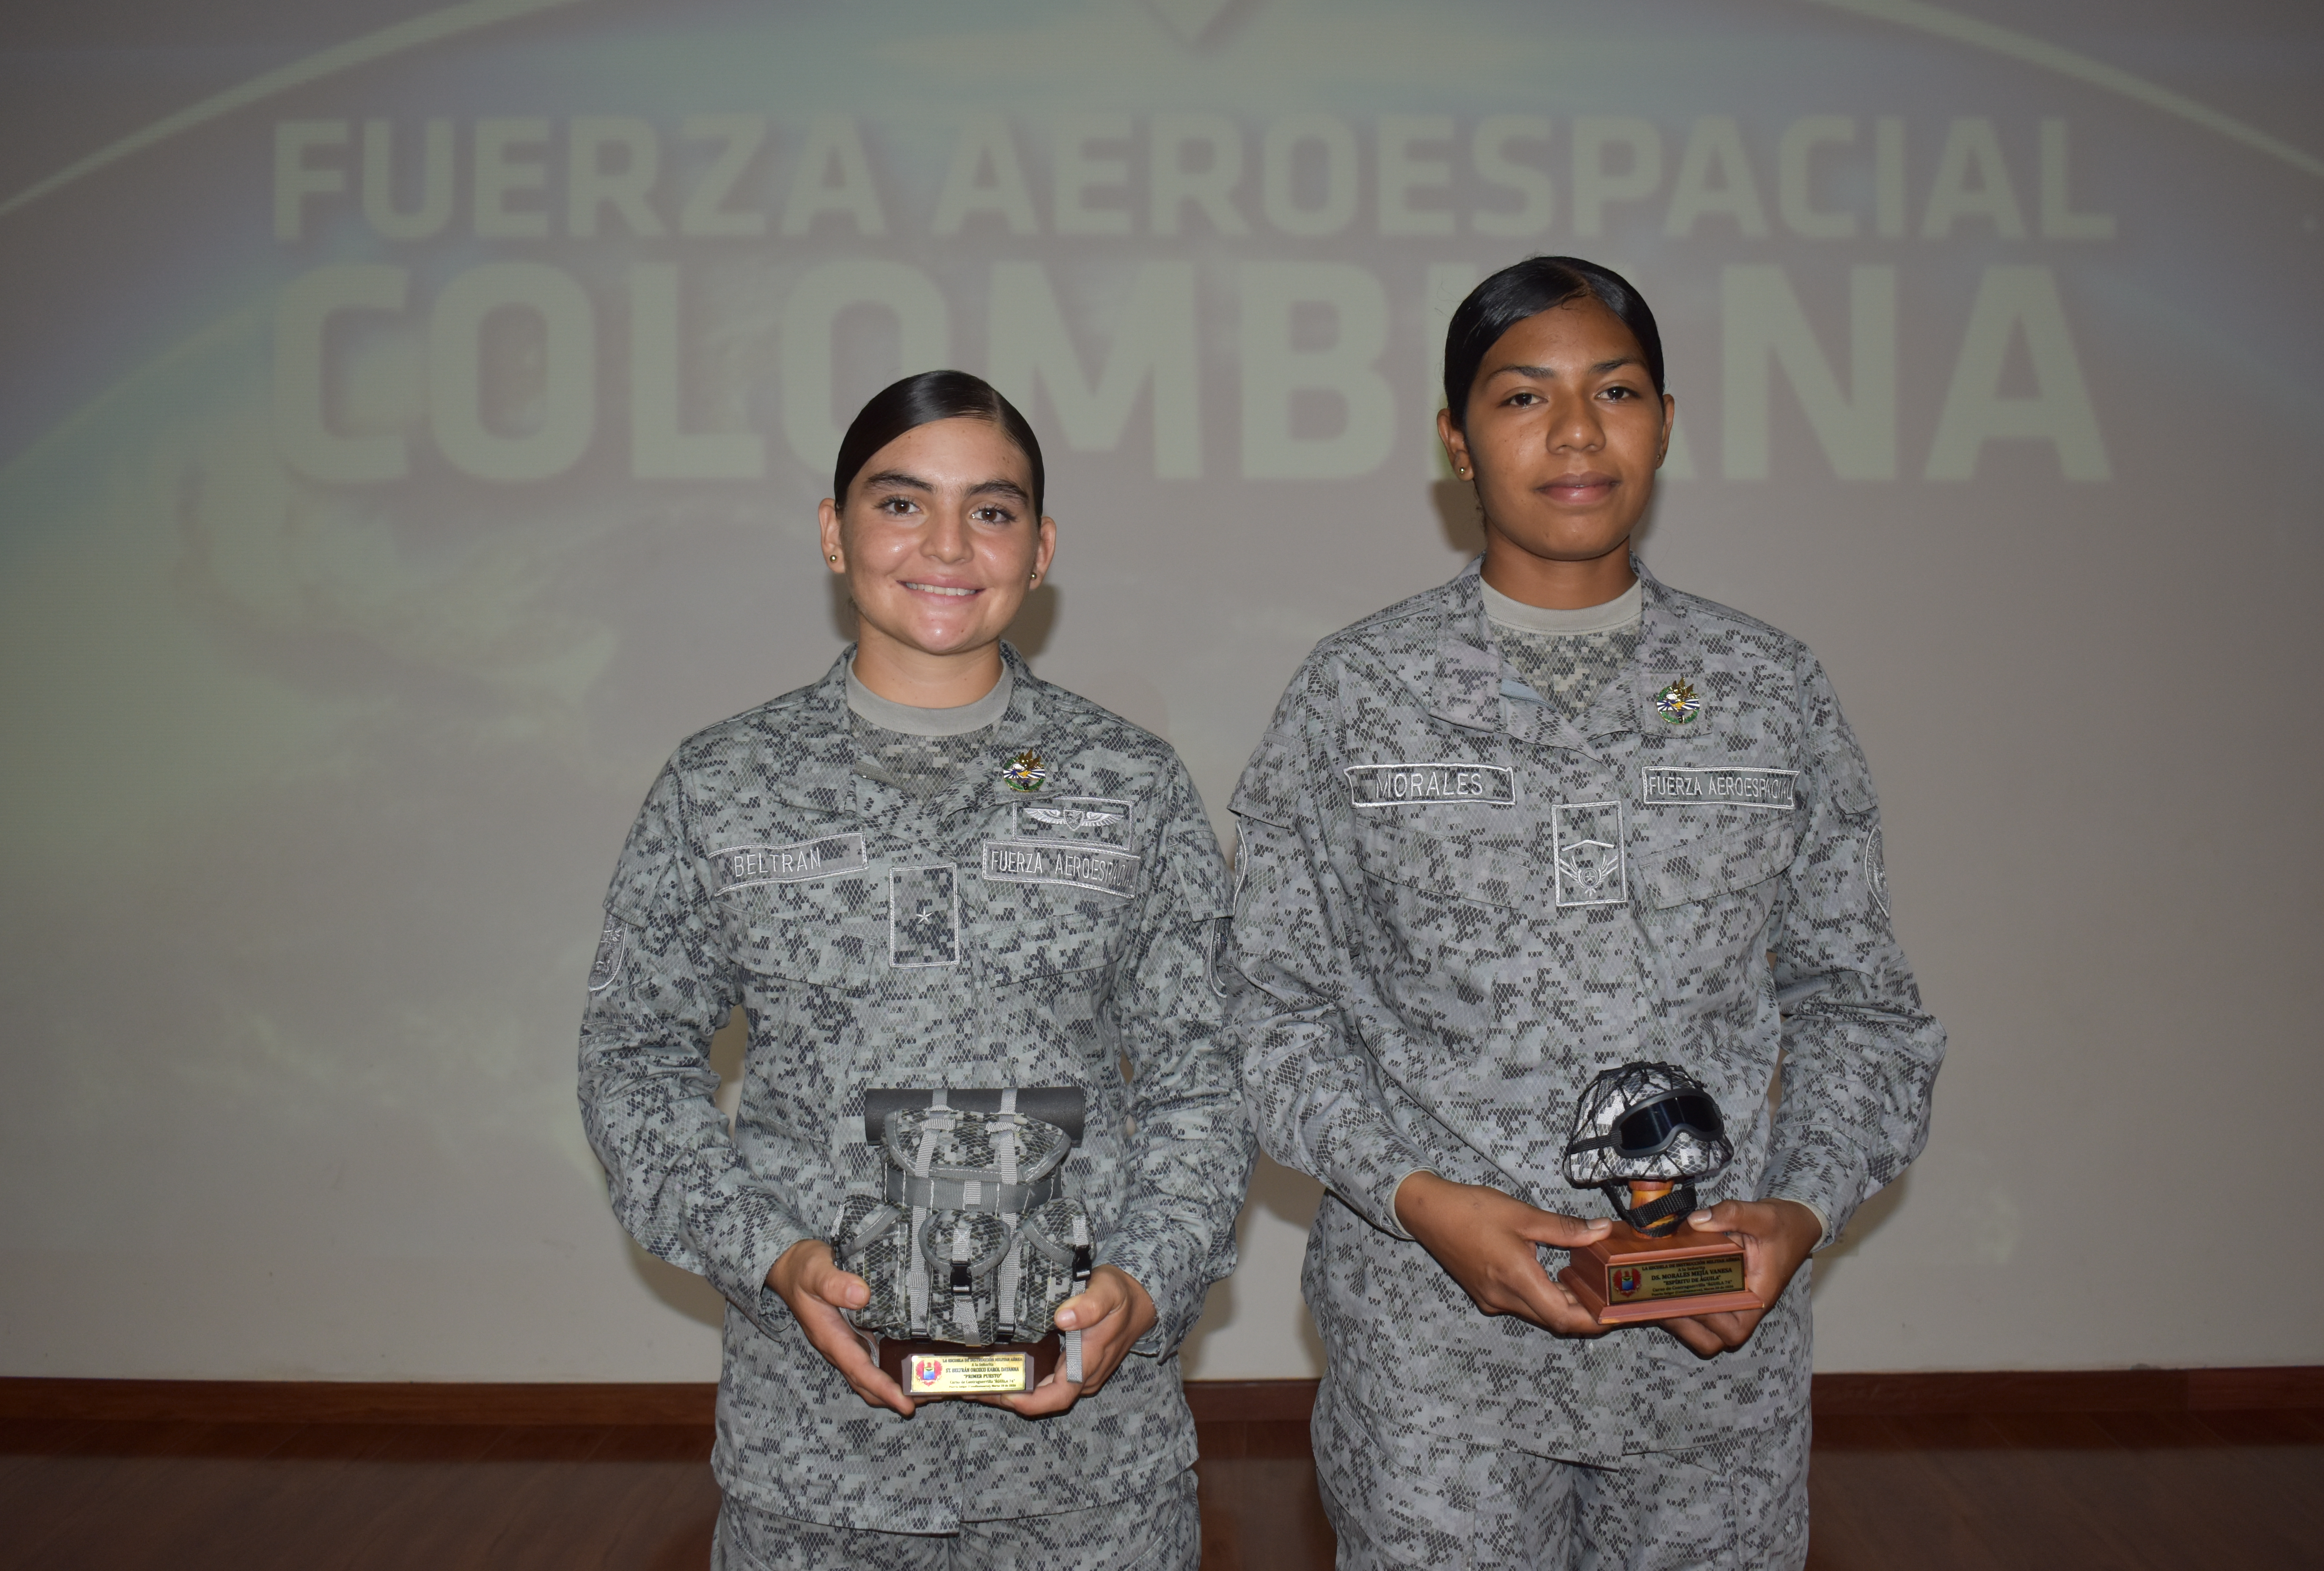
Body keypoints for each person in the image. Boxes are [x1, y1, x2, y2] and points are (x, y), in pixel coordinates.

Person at [1224, 258, 1944, 1569]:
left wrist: (1797, 1212)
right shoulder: (1358, 697)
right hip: (1437, 1366)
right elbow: (1266, 1012)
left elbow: (1863, 1014)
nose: (1573, 433)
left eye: (1612, 391)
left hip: (1708, 1373)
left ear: (1665, 421)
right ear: (1456, 439)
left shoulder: (1768, 693)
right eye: (1521, 397)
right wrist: (1419, 1199)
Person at [579, 370, 1251, 1569]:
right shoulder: (722, 786)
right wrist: (771, 1254)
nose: (948, 546)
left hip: (1091, 1467)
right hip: (818, 1462)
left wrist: (1147, 1278)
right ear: (835, 534)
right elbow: (633, 1061)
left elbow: (1210, 1076)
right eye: (902, 505)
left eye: (991, 512)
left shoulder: (1130, 787)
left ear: (1040, 549)